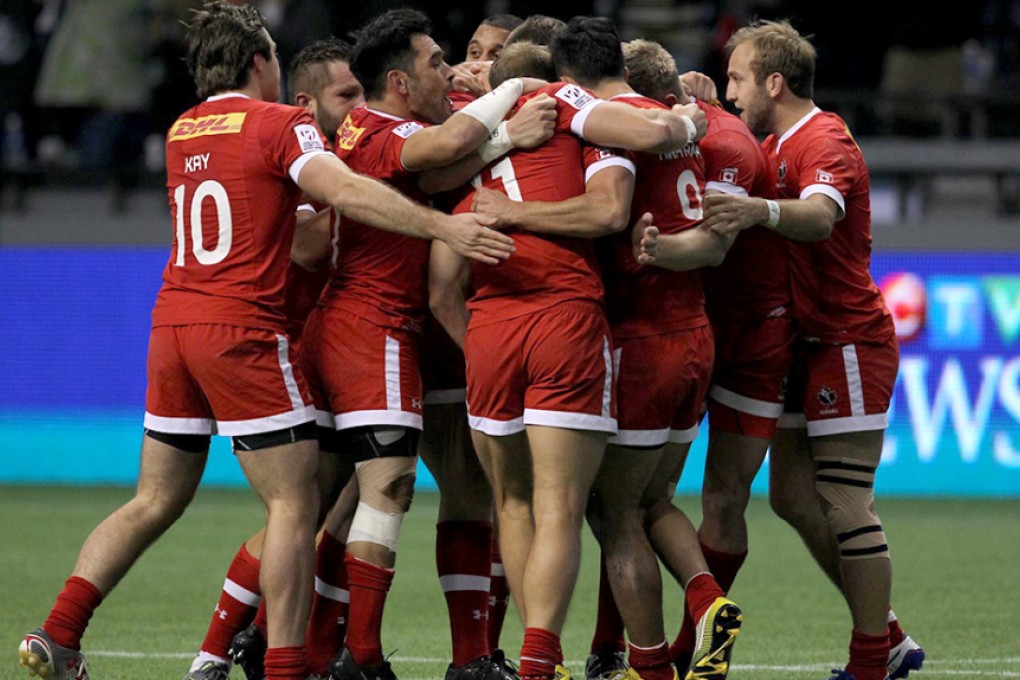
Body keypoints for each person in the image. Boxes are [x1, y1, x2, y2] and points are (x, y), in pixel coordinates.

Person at [16, 3, 517, 680]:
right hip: (243, 329)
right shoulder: (281, 124)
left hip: (173, 323)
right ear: (260, 62)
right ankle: (284, 666)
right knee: (294, 503)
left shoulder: (182, 128)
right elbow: (343, 187)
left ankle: (59, 631)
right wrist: (441, 229)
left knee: (154, 498)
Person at [433, 36, 708, 680]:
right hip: (564, 318)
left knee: (513, 504)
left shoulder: (464, 142)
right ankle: (539, 661)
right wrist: (687, 117)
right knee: (564, 505)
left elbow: (440, 279)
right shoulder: (570, 111)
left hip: (489, 330)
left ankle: (539, 664)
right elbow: (615, 200)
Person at [296, 9, 558, 680]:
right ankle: (345, 653)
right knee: (371, 491)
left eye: (477, 55)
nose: (460, 67)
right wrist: (515, 92)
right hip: (384, 323)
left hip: (402, 326)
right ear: (400, 81)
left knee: (371, 495)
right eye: (445, 59)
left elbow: (440, 172)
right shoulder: (395, 126)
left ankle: (447, 657)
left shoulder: (398, 122)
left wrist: (496, 123)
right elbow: (442, 155)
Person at [494, 22, 738, 680]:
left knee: (615, 510)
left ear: (569, 78)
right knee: (655, 500)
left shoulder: (599, 119)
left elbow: (605, 208)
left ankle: (652, 665)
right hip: (695, 336)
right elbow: (713, 239)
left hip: (637, 338)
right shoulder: (673, 117)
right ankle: (706, 596)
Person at [701, 19, 924, 680]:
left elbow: (820, 215)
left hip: (848, 341)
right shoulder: (777, 142)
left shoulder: (822, 137)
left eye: (738, 77)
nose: (731, 89)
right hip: (806, 343)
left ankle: (871, 660)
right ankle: (888, 637)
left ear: (775, 80)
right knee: (793, 496)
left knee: (846, 498)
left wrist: (758, 213)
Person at [179, 37, 365, 680]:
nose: (359, 104)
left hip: (334, 345)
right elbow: (308, 247)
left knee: (331, 502)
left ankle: (263, 646)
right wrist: (372, 197)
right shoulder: (290, 147)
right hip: (285, 347)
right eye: (347, 94)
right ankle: (239, 651)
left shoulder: (301, 147)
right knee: (304, 504)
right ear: (308, 100)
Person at [621, 37, 790, 676]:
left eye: (739, 75)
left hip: (681, 338)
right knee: (654, 498)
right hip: (698, 334)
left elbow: (713, 247)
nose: (732, 87)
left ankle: (653, 652)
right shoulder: (709, 135)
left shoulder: (680, 142)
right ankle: (696, 612)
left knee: (628, 508)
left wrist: (651, 253)